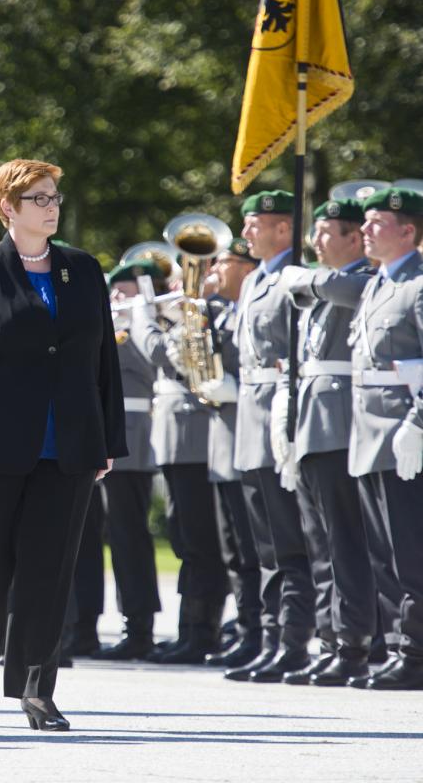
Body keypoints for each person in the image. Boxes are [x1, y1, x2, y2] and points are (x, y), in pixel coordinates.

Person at [0, 159, 125, 731]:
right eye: (37, 198)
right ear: (7, 207)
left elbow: (101, 356)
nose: (51, 206)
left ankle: (37, 688)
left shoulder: (82, 270)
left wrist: (107, 435)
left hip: (70, 446)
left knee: (49, 568)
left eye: (54, 196)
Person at [274, 198, 379, 685]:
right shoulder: (328, 285)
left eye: (325, 233)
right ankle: (333, 638)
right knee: (321, 545)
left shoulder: (363, 279)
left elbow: (351, 290)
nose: (315, 242)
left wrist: (306, 278)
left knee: (345, 543)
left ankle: (356, 641)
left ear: (353, 239)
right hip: (313, 426)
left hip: (339, 428)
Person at [226, 190, 315, 683]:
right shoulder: (256, 279)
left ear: (283, 228)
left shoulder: (293, 279)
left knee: (289, 541)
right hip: (250, 420)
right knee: (263, 544)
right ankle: (267, 636)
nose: (246, 234)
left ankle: (294, 640)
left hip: (279, 417)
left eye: (255, 224)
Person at [345, 187, 423, 690]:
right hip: (369, 433)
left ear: (409, 231)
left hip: (404, 433)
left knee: (411, 551)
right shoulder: (377, 284)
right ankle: (400, 646)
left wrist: (418, 424)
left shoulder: (417, 285)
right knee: (385, 552)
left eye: (377, 222)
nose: (367, 231)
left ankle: (415, 653)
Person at [131, 265, 228, 664]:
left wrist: (142, 321)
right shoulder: (189, 314)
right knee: (183, 537)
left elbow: (164, 354)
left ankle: (203, 631)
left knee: (200, 541)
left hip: (195, 439)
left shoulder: (207, 312)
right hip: (174, 440)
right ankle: (189, 628)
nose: (174, 288)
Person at [89, 259, 164, 661]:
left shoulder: (144, 326)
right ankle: (87, 624)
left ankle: (140, 626)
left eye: (126, 291)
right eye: (114, 291)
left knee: (129, 537)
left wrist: (139, 316)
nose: (117, 298)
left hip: (132, 440)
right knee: (102, 538)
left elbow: (152, 363)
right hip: (101, 438)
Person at [198, 240, 265, 668]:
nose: (216, 268)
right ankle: (245, 629)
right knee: (233, 550)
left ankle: (259, 631)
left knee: (255, 547)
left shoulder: (252, 308)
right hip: (223, 442)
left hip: (250, 436)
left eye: (225, 261)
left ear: (246, 267)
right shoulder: (220, 312)